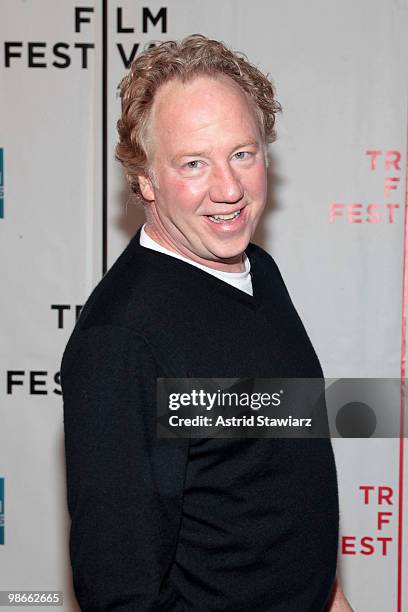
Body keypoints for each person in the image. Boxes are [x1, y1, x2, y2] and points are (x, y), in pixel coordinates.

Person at [61, 34, 353, 611]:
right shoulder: (123, 341)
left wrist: (331, 595)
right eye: (194, 163)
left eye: (242, 153)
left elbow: (271, 480)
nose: (229, 189)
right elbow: (118, 591)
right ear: (144, 179)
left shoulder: (255, 270)